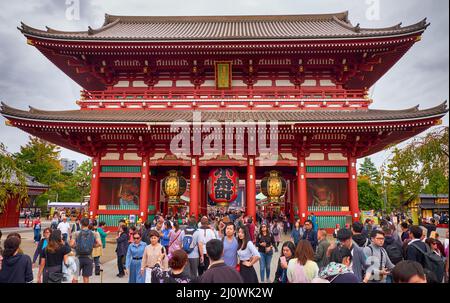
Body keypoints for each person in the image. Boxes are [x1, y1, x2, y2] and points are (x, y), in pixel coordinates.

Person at [70, 217, 101, 283]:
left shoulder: (76, 233)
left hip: (78, 258)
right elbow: (99, 244)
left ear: (81, 224)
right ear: (88, 224)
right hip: (89, 257)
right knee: (86, 278)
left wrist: (76, 247)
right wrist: (92, 246)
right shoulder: (95, 233)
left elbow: (71, 244)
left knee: (75, 277)